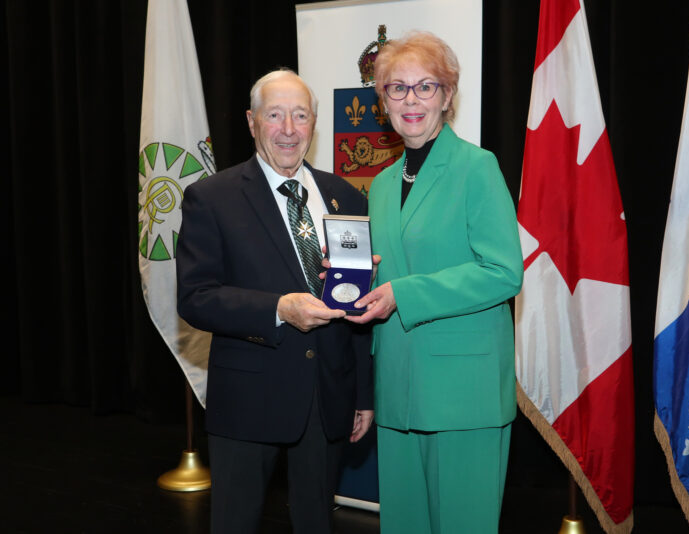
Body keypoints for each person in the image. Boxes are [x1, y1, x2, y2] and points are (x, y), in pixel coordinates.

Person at [175, 69, 374, 534]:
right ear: (251, 121)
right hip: (249, 397)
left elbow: (358, 308)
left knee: (316, 523)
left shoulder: (345, 197)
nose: (288, 129)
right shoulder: (212, 198)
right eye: (275, 115)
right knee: (236, 523)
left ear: (314, 123)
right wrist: (278, 309)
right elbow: (195, 298)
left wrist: (363, 394)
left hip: (327, 396)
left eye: (300, 115)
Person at [346, 31, 524, 534]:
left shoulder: (477, 167)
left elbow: (503, 271)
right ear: (382, 101)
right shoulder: (380, 185)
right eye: (396, 88)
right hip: (398, 390)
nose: (411, 100)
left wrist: (403, 293)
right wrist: (355, 281)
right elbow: (394, 267)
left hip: (462, 395)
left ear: (448, 97)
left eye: (425, 87)